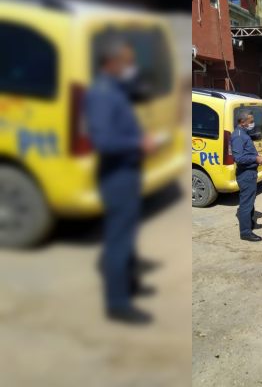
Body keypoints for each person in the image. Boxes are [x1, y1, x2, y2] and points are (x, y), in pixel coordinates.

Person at [85, 37, 156, 324]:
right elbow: (102, 141)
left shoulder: (114, 90)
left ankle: (129, 285)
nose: (131, 67)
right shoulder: (102, 93)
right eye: (127, 62)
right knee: (118, 240)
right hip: (116, 175)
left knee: (127, 236)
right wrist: (137, 143)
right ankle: (117, 303)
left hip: (127, 172)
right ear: (112, 62)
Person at [232, 110, 262, 242]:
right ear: (242, 122)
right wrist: (255, 159)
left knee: (250, 200)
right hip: (246, 174)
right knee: (246, 203)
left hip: (250, 172)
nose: (253, 123)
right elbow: (238, 158)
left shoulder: (244, 133)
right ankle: (245, 232)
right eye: (251, 121)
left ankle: (250, 223)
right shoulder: (238, 136)